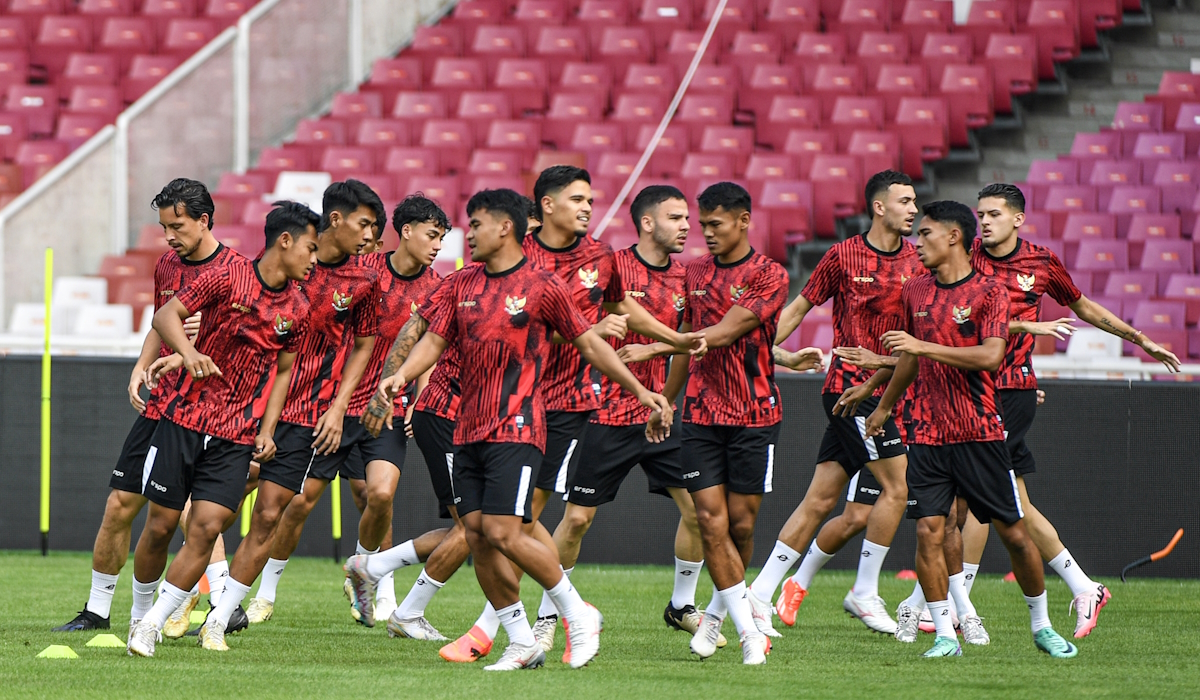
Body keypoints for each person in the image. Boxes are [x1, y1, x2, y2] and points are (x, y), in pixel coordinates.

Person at [371, 188, 674, 671]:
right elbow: (433, 337)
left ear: (505, 228)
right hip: (465, 428)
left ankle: (576, 614)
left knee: (504, 532)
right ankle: (520, 639)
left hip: (517, 427)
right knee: (475, 532)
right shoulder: (460, 283)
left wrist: (640, 391)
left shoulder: (543, 285)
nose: (467, 233)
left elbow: (590, 346)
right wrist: (402, 375)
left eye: (476, 224)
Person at [938, 183, 1180, 639]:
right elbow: (959, 319)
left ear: (1017, 219)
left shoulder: (1041, 262)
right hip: (973, 389)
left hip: (1010, 393)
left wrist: (1140, 339)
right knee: (1010, 502)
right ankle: (1083, 585)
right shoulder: (965, 257)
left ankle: (957, 604)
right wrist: (1026, 324)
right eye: (980, 214)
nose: (984, 222)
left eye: (993, 214)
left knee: (980, 501)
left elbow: (1082, 306)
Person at [861, 200, 1078, 659]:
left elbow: (989, 357)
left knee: (1015, 533)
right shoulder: (915, 291)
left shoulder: (990, 291)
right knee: (928, 531)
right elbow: (908, 357)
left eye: (926, 234)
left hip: (979, 431)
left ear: (954, 237)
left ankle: (1041, 624)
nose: (916, 242)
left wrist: (923, 345)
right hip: (926, 432)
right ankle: (943, 632)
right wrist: (882, 406)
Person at [53, 179, 248, 637]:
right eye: (164, 228)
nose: (169, 237)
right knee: (120, 504)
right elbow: (161, 322)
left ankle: (199, 604)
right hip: (162, 405)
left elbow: (247, 347)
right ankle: (97, 610)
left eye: (177, 226)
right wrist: (142, 366)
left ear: (204, 220)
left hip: (209, 412)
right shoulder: (167, 265)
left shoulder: (238, 271)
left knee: (182, 513)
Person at [194, 181, 382, 650]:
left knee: (273, 512)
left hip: (306, 415)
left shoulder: (364, 280)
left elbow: (365, 343)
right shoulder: (286, 264)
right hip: (248, 407)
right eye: (364, 224)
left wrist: (339, 406)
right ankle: (184, 592)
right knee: (214, 509)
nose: (369, 235)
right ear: (335, 219)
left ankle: (218, 617)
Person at [126, 201, 318, 657]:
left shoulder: (299, 306)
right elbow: (164, 317)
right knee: (159, 526)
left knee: (208, 527)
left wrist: (268, 429)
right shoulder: (227, 275)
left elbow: (284, 371)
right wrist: (187, 355)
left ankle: (149, 626)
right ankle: (139, 612)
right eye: (311, 248)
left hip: (236, 432)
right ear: (285, 241)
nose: (314, 259)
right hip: (183, 418)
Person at [747, 171, 924, 636]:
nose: (913, 209)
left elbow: (925, 340)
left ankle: (759, 594)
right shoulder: (843, 256)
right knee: (898, 489)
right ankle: (864, 592)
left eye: (915, 202)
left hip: (891, 390)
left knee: (821, 499)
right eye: (905, 201)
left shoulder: (919, 264)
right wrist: (761, 350)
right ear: (879, 207)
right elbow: (798, 309)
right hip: (849, 391)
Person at [654, 182, 787, 665]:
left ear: (743, 220)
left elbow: (727, 331)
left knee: (741, 525)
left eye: (716, 223)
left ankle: (713, 616)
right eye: (702, 223)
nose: (706, 232)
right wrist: (665, 401)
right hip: (703, 415)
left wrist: (655, 345)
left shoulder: (770, 274)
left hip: (755, 414)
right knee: (710, 521)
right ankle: (751, 633)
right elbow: (689, 342)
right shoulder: (693, 274)